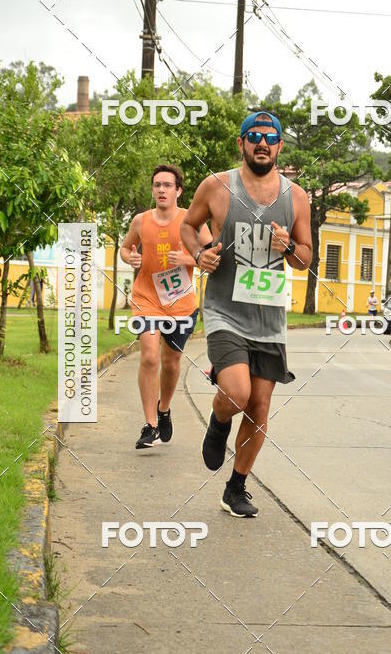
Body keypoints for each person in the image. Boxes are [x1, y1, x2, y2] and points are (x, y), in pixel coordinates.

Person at [181, 111, 312, 517]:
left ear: (279, 147)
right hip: (224, 310)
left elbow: (305, 260)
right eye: (253, 136)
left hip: (269, 319)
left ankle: (235, 488)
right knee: (236, 393)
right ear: (241, 143)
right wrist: (200, 254)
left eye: (269, 137)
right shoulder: (218, 186)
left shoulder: (296, 198)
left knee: (258, 406)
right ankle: (219, 422)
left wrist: (289, 246)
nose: (261, 143)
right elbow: (188, 225)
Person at [120, 164, 212, 449]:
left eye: (167, 185)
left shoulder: (191, 221)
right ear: (153, 190)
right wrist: (130, 259)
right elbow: (125, 248)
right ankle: (149, 425)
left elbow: (211, 254)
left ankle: (164, 409)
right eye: (157, 185)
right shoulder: (140, 221)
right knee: (149, 356)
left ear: (178, 191)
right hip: (147, 298)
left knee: (171, 363)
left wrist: (188, 260)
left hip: (181, 303)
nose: (161, 189)